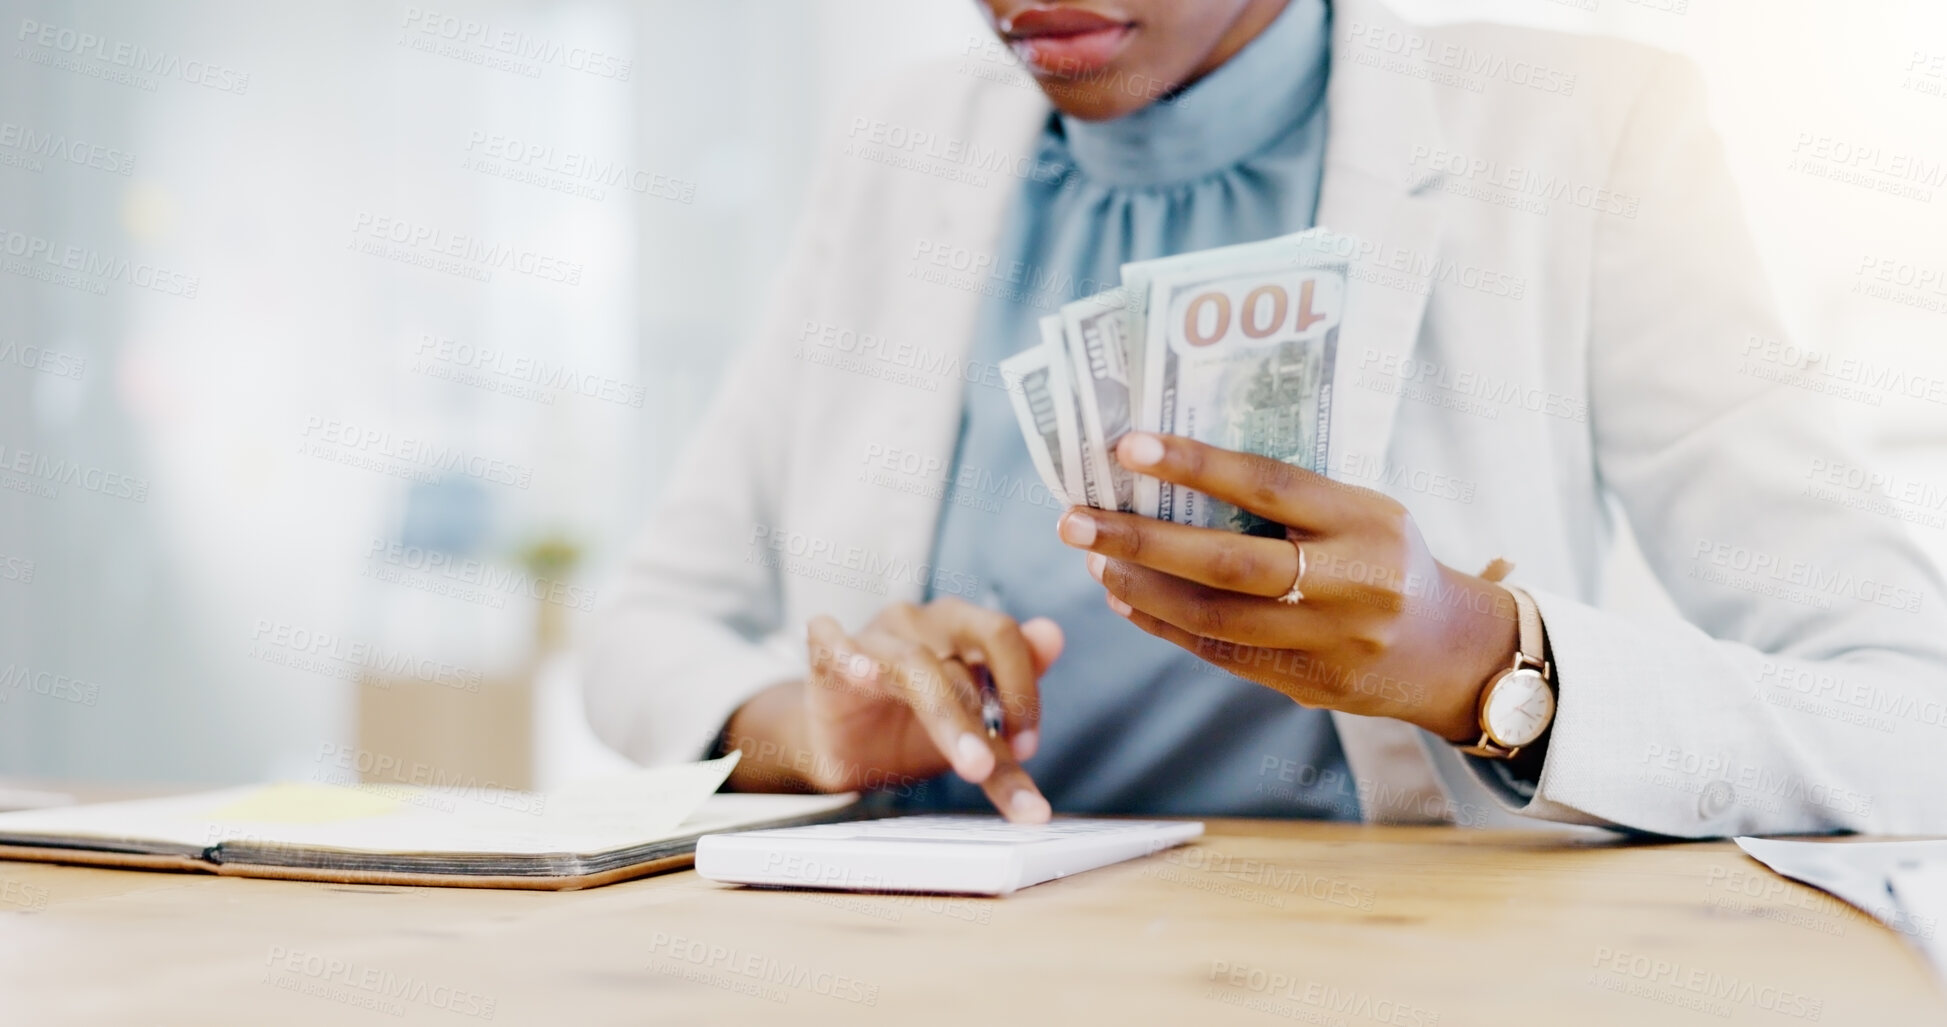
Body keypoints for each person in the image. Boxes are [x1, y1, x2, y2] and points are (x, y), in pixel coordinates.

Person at [583, 0, 1947, 836]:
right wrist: (808, 728)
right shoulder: (902, 145)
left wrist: (1490, 665)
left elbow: (1909, 716)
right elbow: (643, 635)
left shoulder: (1579, 135)